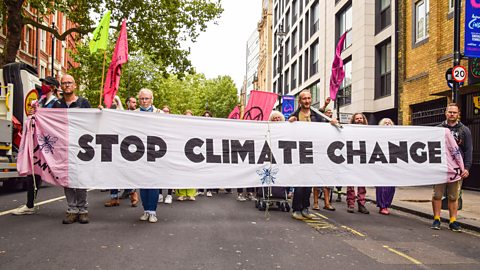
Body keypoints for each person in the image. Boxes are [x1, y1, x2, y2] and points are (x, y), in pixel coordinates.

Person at [11, 76, 60, 216]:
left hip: (50, 144)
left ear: (52, 87)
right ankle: (30, 204)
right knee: (34, 172)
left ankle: (75, 206)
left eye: (45, 83)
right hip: (38, 143)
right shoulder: (40, 101)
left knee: (58, 172)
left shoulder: (56, 104)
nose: (42, 85)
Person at [288, 90, 338, 220]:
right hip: (299, 152)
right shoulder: (295, 115)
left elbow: (325, 125)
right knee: (299, 183)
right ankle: (296, 209)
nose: (307, 101)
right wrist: (290, 122)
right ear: (300, 101)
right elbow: (286, 128)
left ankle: (305, 208)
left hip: (313, 152)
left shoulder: (316, 114)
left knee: (309, 182)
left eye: (309, 98)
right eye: (304, 99)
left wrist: (331, 123)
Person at [51, 75, 92, 224]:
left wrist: (100, 112)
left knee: (80, 178)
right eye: (64, 83)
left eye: (69, 83)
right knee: (67, 179)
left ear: (75, 85)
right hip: (63, 148)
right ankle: (72, 209)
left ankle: (83, 210)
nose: (67, 85)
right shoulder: (57, 105)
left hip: (81, 147)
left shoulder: (84, 103)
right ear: (61, 87)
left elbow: (92, 121)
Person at [431, 103, 472, 232]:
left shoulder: (464, 130)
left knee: (453, 196)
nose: (452, 114)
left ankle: (453, 221)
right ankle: (436, 219)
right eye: (450, 112)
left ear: (458, 114)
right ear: (445, 113)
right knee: (437, 195)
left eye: (454, 112)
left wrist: (467, 167)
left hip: (456, 169)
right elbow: (431, 148)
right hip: (440, 167)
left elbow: (468, 150)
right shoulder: (438, 129)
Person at [104, 95, 139, 208]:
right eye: (132, 102)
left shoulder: (136, 114)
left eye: (135, 102)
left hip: (128, 147)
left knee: (126, 172)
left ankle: (132, 193)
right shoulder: (110, 112)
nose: (135, 104)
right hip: (113, 145)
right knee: (112, 172)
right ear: (127, 102)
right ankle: (114, 198)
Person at [135, 88, 162, 223]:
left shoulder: (160, 113)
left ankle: (153, 211)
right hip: (139, 153)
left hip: (155, 152)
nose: (144, 101)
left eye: (147, 99)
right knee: (143, 182)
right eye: (142, 99)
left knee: (153, 183)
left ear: (152, 99)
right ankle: (146, 210)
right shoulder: (133, 114)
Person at [345, 113, 370, 214]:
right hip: (352, 158)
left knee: (362, 182)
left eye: (361, 118)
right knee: (350, 182)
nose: (359, 120)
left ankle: (361, 204)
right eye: (357, 118)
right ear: (353, 120)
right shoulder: (349, 131)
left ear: (363, 120)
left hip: (363, 159)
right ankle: (351, 204)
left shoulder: (369, 131)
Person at [376, 118, 396, 215]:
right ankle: (382, 205)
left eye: (389, 123)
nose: (387, 124)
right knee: (382, 185)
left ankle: (387, 204)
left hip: (392, 163)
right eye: (385, 123)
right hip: (381, 162)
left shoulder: (395, 137)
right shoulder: (378, 136)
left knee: (391, 186)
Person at [176, 110, 197, 201]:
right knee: (181, 173)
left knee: (191, 173)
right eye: (187, 116)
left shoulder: (195, 128)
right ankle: (181, 193)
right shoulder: (179, 128)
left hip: (192, 152)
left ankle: (191, 193)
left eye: (190, 116)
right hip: (181, 152)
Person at [158, 105, 174, 204]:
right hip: (159, 152)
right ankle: (159, 194)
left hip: (170, 152)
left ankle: (169, 195)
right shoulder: (158, 124)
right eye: (163, 111)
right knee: (159, 174)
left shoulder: (172, 123)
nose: (165, 112)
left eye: (167, 111)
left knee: (169, 174)